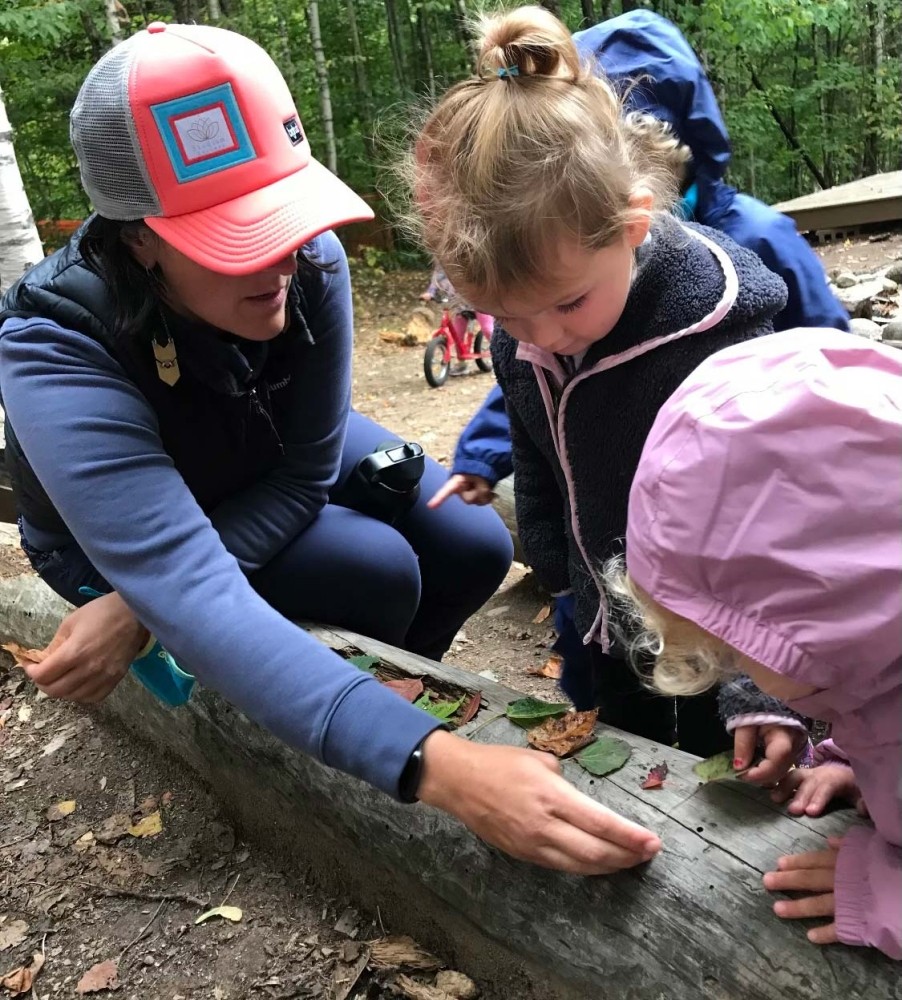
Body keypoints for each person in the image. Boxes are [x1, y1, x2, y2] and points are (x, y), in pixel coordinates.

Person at [0, 23, 662, 875]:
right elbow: (175, 570)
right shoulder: (56, 343)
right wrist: (437, 765)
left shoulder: (309, 261)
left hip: (258, 448)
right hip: (127, 537)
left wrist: (144, 611)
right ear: (137, 237)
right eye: (234, 239)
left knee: (471, 542)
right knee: (374, 569)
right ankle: (347, 728)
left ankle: (360, 689)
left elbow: (308, 465)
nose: (281, 259)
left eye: (282, 214)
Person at [411, 6, 808, 765]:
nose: (543, 337)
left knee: (714, 781)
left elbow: (781, 518)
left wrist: (770, 689)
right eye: (507, 315)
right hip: (605, 618)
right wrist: (557, 570)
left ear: (633, 224)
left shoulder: (713, 334)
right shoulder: (530, 330)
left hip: (726, 643)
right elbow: (536, 444)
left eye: (566, 304)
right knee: (621, 754)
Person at [436, 8, 848, 502]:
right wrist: (482, 455)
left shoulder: (757, 238)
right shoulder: (571, 265)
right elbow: (536, 376)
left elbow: (830, 349)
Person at [614, 327, 901, 958]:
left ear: (834, 614)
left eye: (741, 651)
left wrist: (885, 891)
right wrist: (859, 767)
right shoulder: (878, 656)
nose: (737, 668)